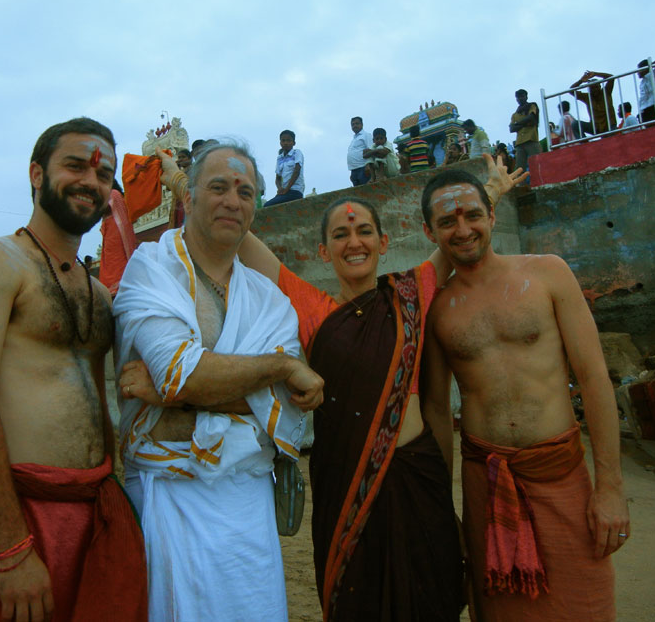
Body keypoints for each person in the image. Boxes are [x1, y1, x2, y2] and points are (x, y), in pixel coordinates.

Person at [139, 151, 525, 620]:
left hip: (416, 482)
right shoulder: (312, 312)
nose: (354, 242)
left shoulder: (411, 294)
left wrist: (494, 193)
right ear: (323, 251)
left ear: (384, 242)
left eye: (364, 231)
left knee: (431, 598)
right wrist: (185, 182)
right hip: (344, 485)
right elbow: (240, 232)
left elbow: (458, 238)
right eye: (340, 234)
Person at [0, 117, 147, 620]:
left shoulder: (98, 294)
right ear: (35, 173)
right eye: (75, 165)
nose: (90, 182)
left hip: (95, 514)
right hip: (17, 518)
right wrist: (11, 550)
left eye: (103, 175)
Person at [115, 141, 324, 621]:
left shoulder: (269, 299)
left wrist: (184, 396)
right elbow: (179, 373)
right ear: (187, 195)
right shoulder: (150, 270)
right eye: (219, 187)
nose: (233, 200)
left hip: (248, 505)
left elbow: (291, 414)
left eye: (246, 191)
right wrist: (277, 368)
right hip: (170, 498)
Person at [420, 169, 629, 620]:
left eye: (473, 215)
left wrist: (609, 487)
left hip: (560, 474)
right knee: (500, 610)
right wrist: (444, 509)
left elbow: (594, 378)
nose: (463, 229)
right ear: (429, 232)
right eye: (447, 222)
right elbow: (436, 408)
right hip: (486, 483)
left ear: (492, 215)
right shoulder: (436, 307)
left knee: (584, 603)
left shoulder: (548, 274)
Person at [99, 178, 138, 296]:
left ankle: (117, 287)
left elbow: (101, 208)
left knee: (116, 261)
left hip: (117, 237)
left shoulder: (114, 194)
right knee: (109, 263)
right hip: (110, 234)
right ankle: (110, 288)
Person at [569, 71, 617, 135]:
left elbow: (611, 77)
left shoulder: (606, 92)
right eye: (592, 88)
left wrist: (595, 74)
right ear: (589, 89)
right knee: (575, 124)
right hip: (596, 127)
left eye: (596, 87)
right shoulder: (587, 97)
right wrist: (581, 81)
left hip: (610, 125)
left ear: (600, 86)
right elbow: (571, 90)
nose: (595, 90)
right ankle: (584, 143)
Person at [265, 129, 305, 206]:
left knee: (268, 205)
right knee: (267, 206)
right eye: (283, 141)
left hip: (295, 191)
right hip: (284, 193)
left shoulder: (297, 153)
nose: (285, 143)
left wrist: (286, 189)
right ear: (280, 143)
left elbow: (296, 171)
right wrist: (280, 188)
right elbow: (278, 178)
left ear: (294, 143)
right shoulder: (280, 158)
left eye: (288, 140)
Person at [509, 89, 541, 174]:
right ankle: (521, 186)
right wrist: (525, 123)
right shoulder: (515, 114)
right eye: (518, 97)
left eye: (522, 96)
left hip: (531, 139)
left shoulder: (532, 106)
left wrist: (518, 125)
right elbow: (511, 129)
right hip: (519, 143)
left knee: (538, 163)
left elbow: (531, 118)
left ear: (526, 97)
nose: (520, 99)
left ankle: (541, 185)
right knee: (519, 168)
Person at [637, 57, 655, 126]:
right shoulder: (642, 82)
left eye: (639, 70)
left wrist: (649, 66)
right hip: (643, 110)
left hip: (651, 107)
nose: (638, 72)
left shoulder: (653, 75)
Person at [347, 116, 372, 186]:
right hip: (354, 170)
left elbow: (371, 150)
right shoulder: (354, 139)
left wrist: (368, 165)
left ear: (362, 124)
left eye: (357, 123)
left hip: (363, 168)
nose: (354, 126)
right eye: (353, 124)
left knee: (366, 190)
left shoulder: (366, 135)